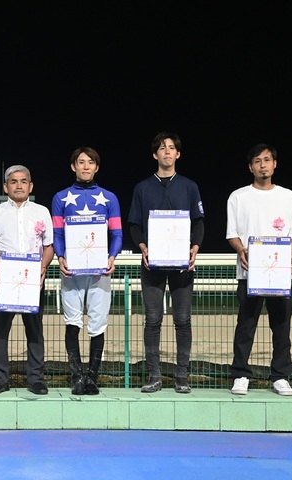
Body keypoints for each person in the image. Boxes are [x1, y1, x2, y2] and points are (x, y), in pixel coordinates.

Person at [128, 132, 205, 394]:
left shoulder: (189, 186)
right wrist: (142, 247)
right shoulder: (142, 188)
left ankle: (182, 376)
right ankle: (154, 376)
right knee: (153, 319)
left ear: (178, 154)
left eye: (172, 148)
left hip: (182, 264)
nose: (167, 152)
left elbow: (198, 222)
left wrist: (195, 248)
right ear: (155, 154)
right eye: (162, 148)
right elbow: (135, 224)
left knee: (182, 319)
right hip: (153, 263)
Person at [226, 143, 292, 396]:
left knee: (281, 327)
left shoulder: (289, 197)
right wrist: (241, 249)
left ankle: (280, 376)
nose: (263, 165)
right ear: (251, 167)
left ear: (274, 164)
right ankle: (240, 375)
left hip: (279, 273)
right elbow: (232, 234)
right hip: (249, 273)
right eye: (258, 161)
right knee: (245, 326)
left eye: (267, 160)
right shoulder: (238, 197)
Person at [51, 147, 123, 395]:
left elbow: (117, 234)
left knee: (98, 324)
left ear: (96, 167)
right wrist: (61, 257)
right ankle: (77, 377)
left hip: (99, 272)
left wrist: (112, 257)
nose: (85, 166)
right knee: (72, 322)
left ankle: (92, 377)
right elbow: (57, 233)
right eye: (80, 162)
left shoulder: (109, 198)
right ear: (73, 166)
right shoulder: (60, 198)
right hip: (71, 271)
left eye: (90, 162)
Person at [0, 165, 54, 395]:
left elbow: (49, 246)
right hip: (4, 280)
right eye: (13, 181)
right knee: (0, 330)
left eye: (23, 181)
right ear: (6, 187)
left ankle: (36, 379)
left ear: (31, 186)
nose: (19, 185)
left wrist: (43, 267)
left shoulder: (42, 211)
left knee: (35, 330)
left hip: (32, 279)